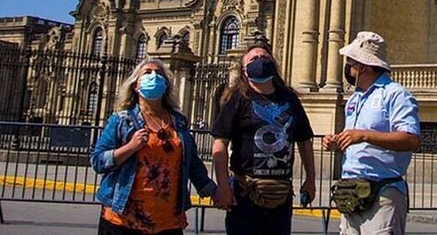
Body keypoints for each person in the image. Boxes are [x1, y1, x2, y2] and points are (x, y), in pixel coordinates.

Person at [91, 59, 224, 235]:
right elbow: (97, 161)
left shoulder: (178, 122)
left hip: (168, 222)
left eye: (159, 74)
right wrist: (130, 147)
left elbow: (192, 165)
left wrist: (215, 192)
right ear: (136, 85)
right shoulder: (121, 120)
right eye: (147, 72)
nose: (154, 76)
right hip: (122, 221)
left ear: (166, 86)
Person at [211, 45, 316, 235]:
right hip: (245, 193)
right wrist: (224, 186)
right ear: (244, 70)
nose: (259, 60)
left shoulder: (289, 98)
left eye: (264, 56)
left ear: (273, 64)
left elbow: (304, 139)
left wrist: (310, 179)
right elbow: (220, 142)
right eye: (252, 59)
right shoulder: (237, 98)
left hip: (281, 195)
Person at [323, 31, 421, 235]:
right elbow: (354, 137)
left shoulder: (396, 94)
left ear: (363, 65)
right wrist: (338, 141)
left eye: (350, 62)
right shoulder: (354, 99)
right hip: (350, 192)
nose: (347, 68)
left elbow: (411, 139)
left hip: (382, 194)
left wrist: (364, 135)